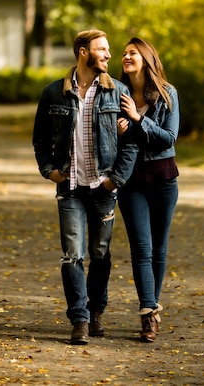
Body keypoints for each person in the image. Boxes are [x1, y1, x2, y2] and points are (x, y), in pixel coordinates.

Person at [33, 29, 138, 345]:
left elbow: (131, 141)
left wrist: (115, 178)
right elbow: (39, 138)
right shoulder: (53, 93)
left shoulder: (117, 92)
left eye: (108, 50)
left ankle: (96, 312)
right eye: (102, 49)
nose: (108, 55)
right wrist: (49, 170)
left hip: (103, 188)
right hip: (70, 188)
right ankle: (79, 319)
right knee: (72, 255)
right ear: (83, 52)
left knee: (100, 253)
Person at [117, 37, 180, 343]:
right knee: (141, 248)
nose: (125, 56)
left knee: (159, 247)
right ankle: (148, 313)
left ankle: (151, 309)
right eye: (124, 53)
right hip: (130, 180)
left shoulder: (168, 94)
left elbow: (168, 138)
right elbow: (104, 139)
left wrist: (138, 119)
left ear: (146, 58)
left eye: (132, 53)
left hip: (163, 178)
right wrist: (113, 131)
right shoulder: (115, 94)